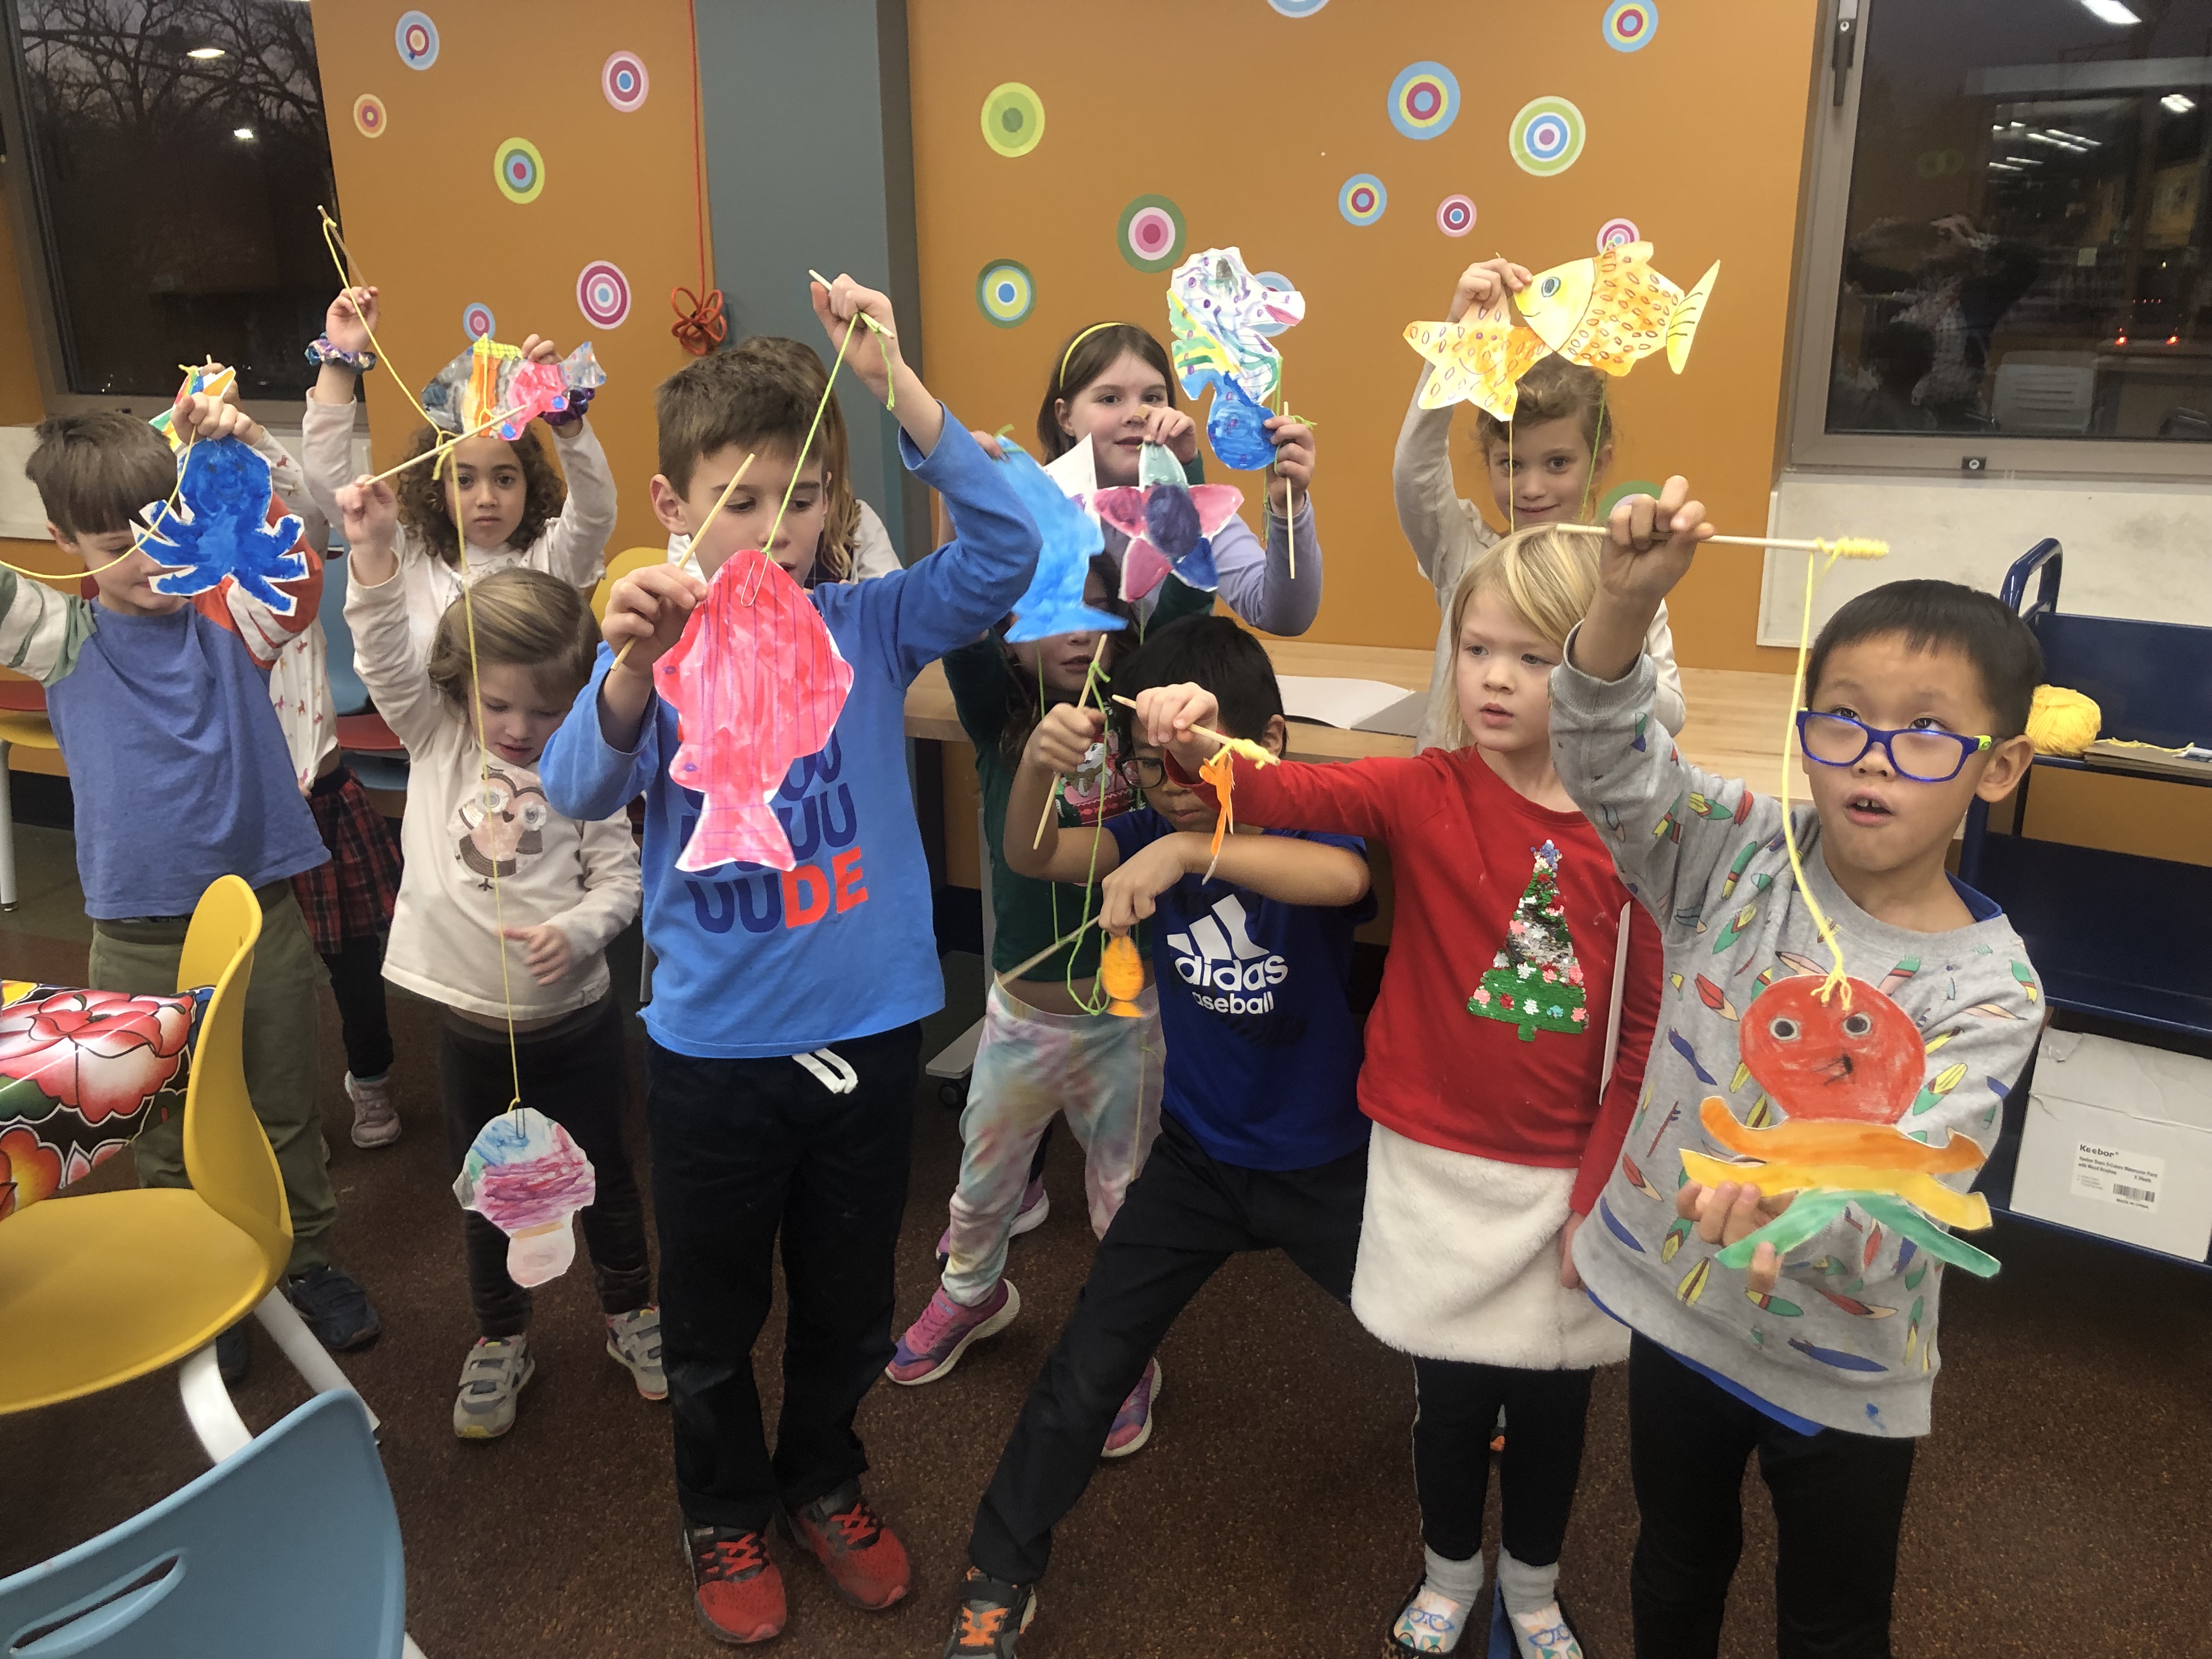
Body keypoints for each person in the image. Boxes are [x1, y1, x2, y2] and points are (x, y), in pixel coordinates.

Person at [539, 274, 1041, 1646]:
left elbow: (1006, 549)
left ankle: (823, 1475)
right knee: (708, 1322)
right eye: (741, 499)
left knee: (844, 1299)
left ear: (838, 508)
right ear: (672, 504)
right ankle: (723, 1510)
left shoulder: (867, 625)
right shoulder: (656, 636)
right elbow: (579, 788)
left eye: (803, 497)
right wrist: (630, 671)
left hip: (868, 1031)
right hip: (709, 1050)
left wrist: (893, 381)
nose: (773, 526)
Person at [1141, 530, 1662, 1658]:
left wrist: (1599, 1190)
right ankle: (1448, 1571)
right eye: (1477, 648)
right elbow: (1285, 784)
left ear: (1593, 665)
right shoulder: (1428, 791)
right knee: (1454, 1402)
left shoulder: (1632, 834)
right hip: (1432, 1166)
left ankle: (1533, 1589)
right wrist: (1194, 739)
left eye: (1529, 656)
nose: (1492, 677)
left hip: (1566, 1178)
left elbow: (1641, 1038)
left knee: (1558, 1409)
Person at [1553, 479, 2044, 1658]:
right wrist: (1622, 609)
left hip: (1848, 1363)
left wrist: (1792, 1195)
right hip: (1684, 1311)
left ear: (1999, 766)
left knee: (1832, 1618)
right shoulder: (1737, 855)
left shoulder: (1991, 990)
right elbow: (1608, 765)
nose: (1875, 757)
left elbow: (1915, 1179)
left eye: (1928, 730)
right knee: (1672, 1564)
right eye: (1843, 717)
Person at [943, 616, 1376, 1657]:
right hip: (1195, 1162)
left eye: (1199, 752)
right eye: (1153, 762)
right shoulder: (1141, 834)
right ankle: (1003, 1562)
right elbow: (1034, 850)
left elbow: (1347, 885)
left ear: (1270, 737)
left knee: (1425, 1326)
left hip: (1324, 1162)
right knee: (1087, 1360)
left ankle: (1484, 1406)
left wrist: (1192, 841)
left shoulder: (1315, 831)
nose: (1176, 779)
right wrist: (1044, 771)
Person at [10, 399, 379, 1370]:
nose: (153, 552)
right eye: (117, 541)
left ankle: (307, 1263)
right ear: (64, 543)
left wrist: (251, 446)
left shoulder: (230, 617)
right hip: (135, 932)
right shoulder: (65, 638)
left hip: (262, 912)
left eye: (168, 519)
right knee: (163, 1128)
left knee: (283, 1100)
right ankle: (209, 1273)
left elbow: (302, 527)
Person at [338, 473, 654, 1440]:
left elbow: (623, 879)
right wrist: (376, 558)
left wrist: (583, 930)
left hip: (578, 1024)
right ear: (462, 689)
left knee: (600, 1171)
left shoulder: (579, 771)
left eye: (545, 710)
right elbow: (386, 654)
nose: (518, 729)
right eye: (501, 704)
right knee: (487, 1184)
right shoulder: (437, 737)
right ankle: (500, 1334)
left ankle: (632, 1311)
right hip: (470, 1028)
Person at [887, 558, 1211, 1455]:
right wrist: (967, 482)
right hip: (1022, 1020)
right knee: (984, 1179)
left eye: (1099, 611)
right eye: (1051, 613)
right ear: (1008, 636)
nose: (1077, 629)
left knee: (1122, 1198)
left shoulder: (1135, 710)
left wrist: (1173, 477)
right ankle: (971, 1288)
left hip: (1127, 1020)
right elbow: (956, 606)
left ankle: (1122, 1350)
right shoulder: (999, 710)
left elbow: (1183, 590)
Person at [1397, 258, 1685, 754]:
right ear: (1488, 461)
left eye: (1557, 463)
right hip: (1452, 799)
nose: (1531, 488)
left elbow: (1670, 715)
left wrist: (1618, 623)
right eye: (1510, 464)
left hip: (1563, 814)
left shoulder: (1624, 577)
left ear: (1599, 464)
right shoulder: (1464, 552)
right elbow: (1415, 472)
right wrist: (1457, 344)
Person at [303, 285, 616, 652]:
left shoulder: (552, 556)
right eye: (464, 480)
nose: (486, 498)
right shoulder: (407, 556)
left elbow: (595, 511)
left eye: (504, 479)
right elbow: (329, 482)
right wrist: (340, 361)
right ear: (437, 488)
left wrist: (566, 420)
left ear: (529, 484)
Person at [995, 320, 1322, 636]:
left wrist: (1288, 507)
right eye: (1109, 399)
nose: (1137, 416)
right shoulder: (1030, 508)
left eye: (1152, 398)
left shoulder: (1196, 510)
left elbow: (1283, 617)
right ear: (1065, 417)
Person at [665, 336, 904, 583]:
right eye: (741, 504)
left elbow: (903, 607)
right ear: (672, 507)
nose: (775, 533)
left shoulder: (856, 522)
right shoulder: (694, 530)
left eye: (801, 503)